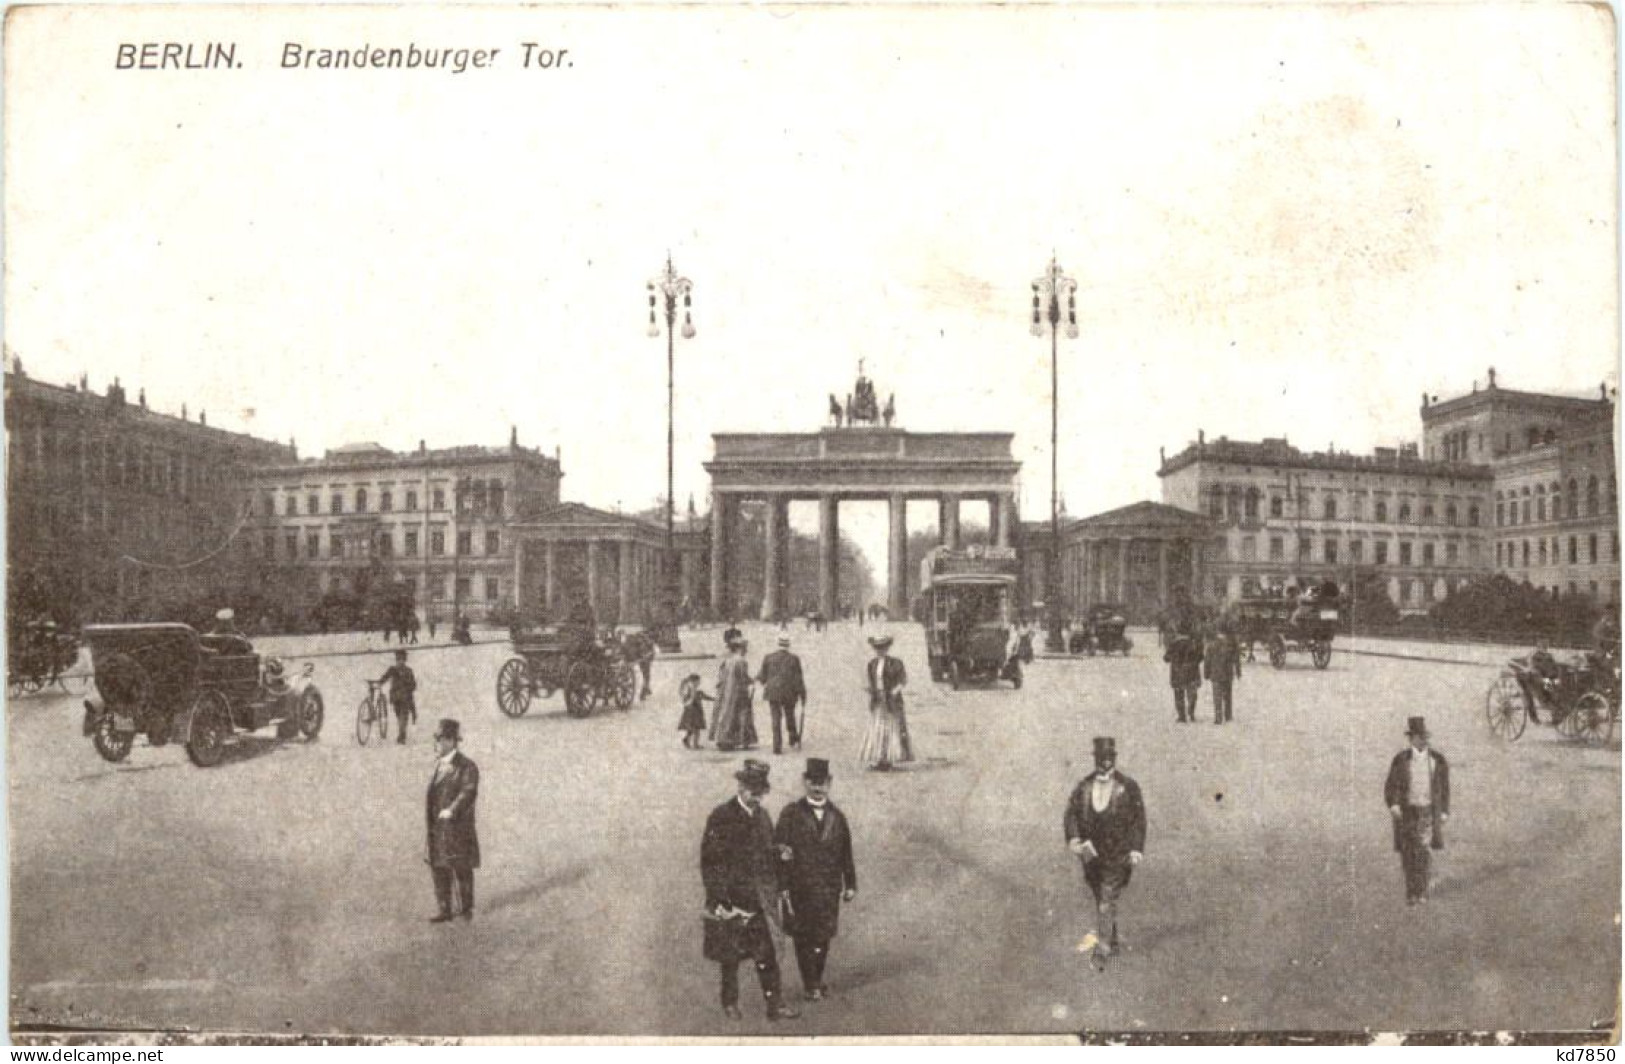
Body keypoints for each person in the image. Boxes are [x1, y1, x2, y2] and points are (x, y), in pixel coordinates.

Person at [700, 760, 800, 1022]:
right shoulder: (721, 816)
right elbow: (711, 862)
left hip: (759, 899)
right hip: (732, 899)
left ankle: (775, 1004)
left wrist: (780, 853)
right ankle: (730, 1002)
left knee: (766, 954)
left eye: (761, 793)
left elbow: (768, 850)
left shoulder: (763, 816)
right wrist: (719, 899)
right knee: (730, 956)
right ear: (741, 787)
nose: (757, 798)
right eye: (752, 792)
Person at [774, 758, 857, 1001]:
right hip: (800, 888)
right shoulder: (791, 814)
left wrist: (850, 884)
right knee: (803, 937)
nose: (817, 788)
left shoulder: (838, 817)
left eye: (822, 783)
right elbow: (778, 849)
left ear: (829, 783)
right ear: (804, 782)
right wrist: (782, 884)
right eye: (812, 783)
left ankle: (816, 979)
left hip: (828, 888)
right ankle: (811, 983)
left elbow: (846, 852)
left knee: (823, 936)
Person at [1063, 737, 1146, 964]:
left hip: (1118, 853)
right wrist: (1074, 838)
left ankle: (1103, 949)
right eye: (1101, 758)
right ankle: (1113, 937)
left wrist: (1136, 848)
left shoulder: (1128, 787)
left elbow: (1138, 819)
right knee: (1100, 895)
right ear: (1096, 759)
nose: (1105, 763)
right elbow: (1071, 813)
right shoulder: (1083, 786)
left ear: (1114, 759)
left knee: (1107, 899)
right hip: (1091, 856)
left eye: (1109, 758)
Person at [1384, 716, 1449, 906]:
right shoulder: (1401, 760)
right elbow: (1391, 785)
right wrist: (1394, 804)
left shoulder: (1437, 760)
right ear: (1411, 739)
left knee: (1424, 851)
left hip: (1428, 812)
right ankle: (1411, 891)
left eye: (1425, 736)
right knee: (1408, 852)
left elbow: (1444, 788)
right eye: (1419, 737)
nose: (1423, 740)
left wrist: (1444, 811)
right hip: (1407, 812)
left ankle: (1421, 891)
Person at [426, 719, 480, 922]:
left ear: (450, 741)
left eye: (438, 740)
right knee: (439, 867)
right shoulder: (438, 765)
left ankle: (466, 909)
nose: (436, 744)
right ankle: (444, 909)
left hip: (457, 829)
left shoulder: (467, 766)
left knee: (461, 867)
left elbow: (468, 792)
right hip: (438, 829)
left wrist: (451, 810)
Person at [859, 635, 912, 770]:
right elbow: (868, 682)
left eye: (882, 648)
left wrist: (894, 692)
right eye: (877, 648)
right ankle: (879, 759)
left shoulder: (895, 663)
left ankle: (889, 759)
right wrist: (870, 690)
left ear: (887, 648)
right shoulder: (872, 664)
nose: (880, 650)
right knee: (877, 729)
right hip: (878, 700)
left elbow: (903, 681)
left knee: (890, 729)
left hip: (891, 701)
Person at [757, 635, 807, 754]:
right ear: (788, 646)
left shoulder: (768, 657)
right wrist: (803, 694)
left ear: (778, 645)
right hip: (789, 692)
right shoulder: (794, 659)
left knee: (775, 718)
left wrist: (765, 681)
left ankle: (777, 746)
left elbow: (762, 677)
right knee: (790, 715)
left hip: (773, 692)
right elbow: (798, 679)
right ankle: (792, 738)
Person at [710, 639, 758, 752]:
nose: (746, 650)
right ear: (739, 648)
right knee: (742, 714)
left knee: (726, 714)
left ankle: (723, 738)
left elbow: (721, 678)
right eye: (744, 648)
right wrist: (752, 681)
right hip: (738, 691)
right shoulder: (741, 661)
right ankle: (741, 739)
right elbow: (742, 677)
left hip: (726, 692)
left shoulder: (727, 661)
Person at [376, 649, 418, 743]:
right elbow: (414, 685)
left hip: (397, 697)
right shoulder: (407, 670)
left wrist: (379, 683)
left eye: (401, 659)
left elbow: (384, 678)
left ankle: (401, 736)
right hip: (402, 697)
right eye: (399, 659)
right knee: (401, 716)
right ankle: (402, 735)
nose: (400, 661)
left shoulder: (394, 669)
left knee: (401, 716)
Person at [1204, 625, 1242, 725]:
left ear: (1217, 632)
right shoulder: (1231, 645)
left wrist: (1206, 673)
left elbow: (1207, 660)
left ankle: (1218, 717)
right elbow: (1236, 659)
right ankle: (1228, 715)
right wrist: (1238, 672)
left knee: (1217, 696)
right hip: (1228, 673)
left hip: (1216, 674)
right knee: (1228, 695)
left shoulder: (1211, 645)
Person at [679, 673, 714, 749]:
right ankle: (695, 745)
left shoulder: (696, 692)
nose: (699, 683)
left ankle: (686, 740)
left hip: (694, 714)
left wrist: (713, 699)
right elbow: (688, 700)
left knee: (691, 730)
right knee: (696, 730)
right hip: (693, 714)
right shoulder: (691, 692)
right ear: (693, 681)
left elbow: (705, 697)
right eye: (698, 682)